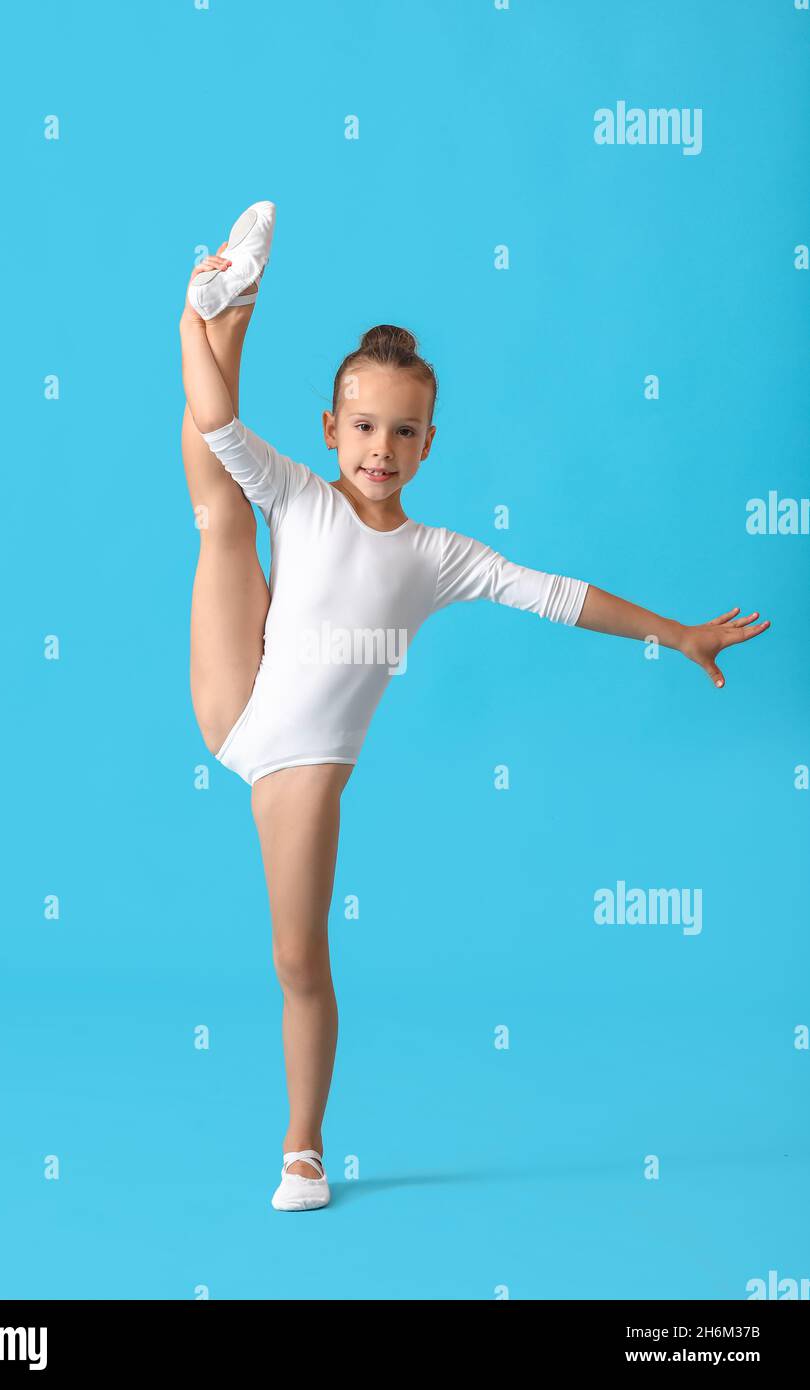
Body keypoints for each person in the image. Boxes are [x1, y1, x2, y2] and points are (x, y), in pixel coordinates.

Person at [178, 202, 770, 1211]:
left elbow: (557, 594)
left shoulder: (438, 556)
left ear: (427, 445)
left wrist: (675, 631)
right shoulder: (307, 496)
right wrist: (195, 336)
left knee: (296, 957)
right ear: (331, 429)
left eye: (402, 432)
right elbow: (217, 422)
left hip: (297, 764)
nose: (379, 446)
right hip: (236, 696)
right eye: (362, 426)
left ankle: (302, 1148)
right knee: (219, 500)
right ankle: (216, 303)